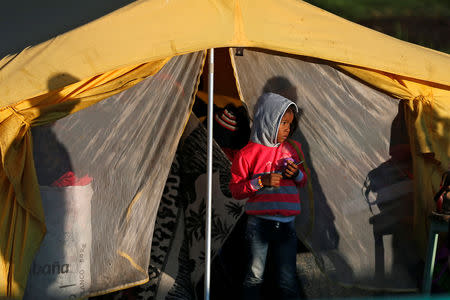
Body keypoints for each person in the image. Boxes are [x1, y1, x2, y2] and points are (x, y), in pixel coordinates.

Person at [229, 93, 307, 300]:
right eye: (282, 122)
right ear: (268, 120)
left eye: (289, 124)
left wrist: (296, 173)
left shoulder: (292, 149)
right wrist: (260, 182)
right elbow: (236, 190)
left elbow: (303, 181)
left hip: (288, 224)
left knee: (288, 278)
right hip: (258, 224)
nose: (287, 128)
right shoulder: (247, 153)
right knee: (255, 275)